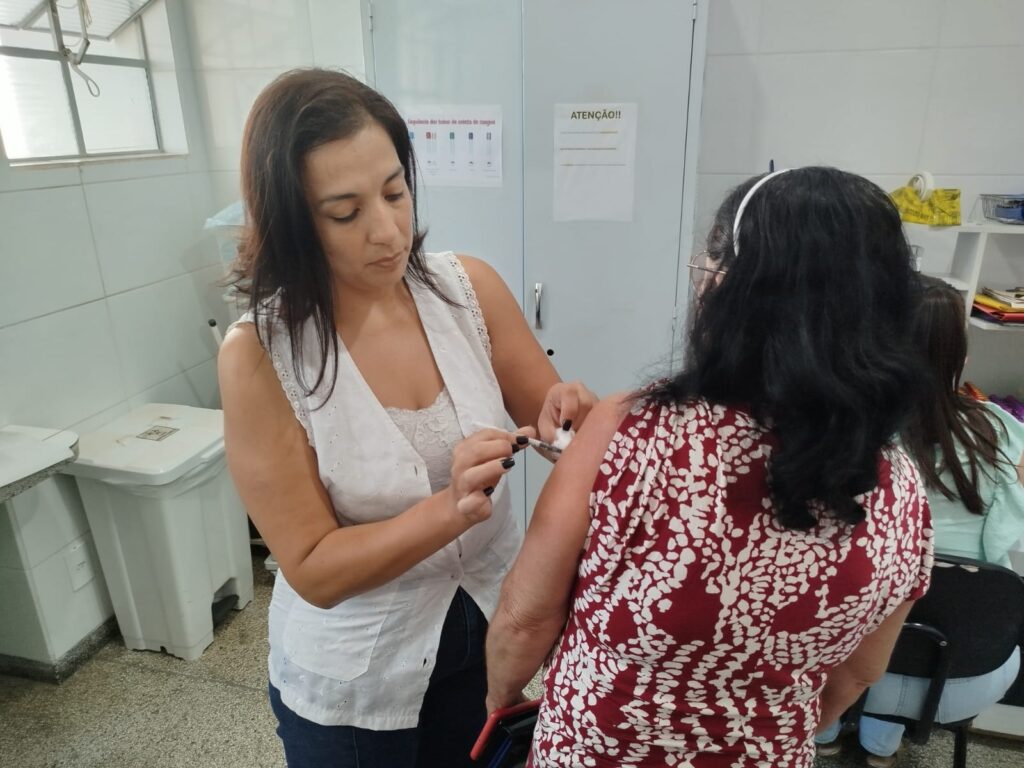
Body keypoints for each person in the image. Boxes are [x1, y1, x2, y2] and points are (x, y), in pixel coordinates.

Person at [484, 167, 934, 768]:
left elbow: (525, 618)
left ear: (725, 286)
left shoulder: (630, 428)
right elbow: (857, 675)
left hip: (598, 749)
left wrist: (501, 701)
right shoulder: (902, 489)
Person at [217, 68, 596, 768]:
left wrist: (568, 424)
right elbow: (314, 568)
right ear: (293, 222)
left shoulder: (467, 290)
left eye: (395, 192)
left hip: (490, 633)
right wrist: (447, 510)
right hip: (359, 678)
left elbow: (554, 428)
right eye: (345, 213)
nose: (388, 231)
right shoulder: (260, 356)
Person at [816, 276, 1024, 767]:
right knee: (934, 599)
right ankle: (880, 745)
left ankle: (825, 733)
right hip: (964, 672)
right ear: (960, 357)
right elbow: (1004, 521)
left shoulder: (842, 431)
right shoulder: (998, 429)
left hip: (844, 664)